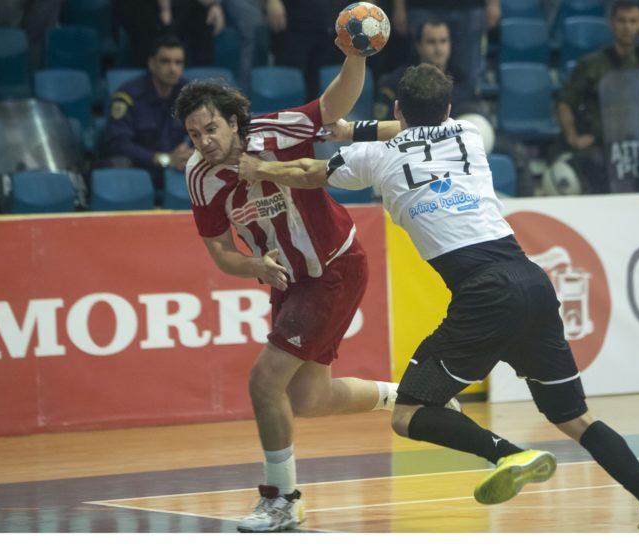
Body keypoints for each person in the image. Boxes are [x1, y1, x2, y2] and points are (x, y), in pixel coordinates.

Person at [238, 63, 639, 534]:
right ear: (448, 109)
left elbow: (309, 171)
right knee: (576, 418)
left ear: (397, 108)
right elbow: (416, 126)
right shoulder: (469, 134)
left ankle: (510, 455)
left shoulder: (375, 159)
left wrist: (261, 167)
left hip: (483, 295)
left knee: (409, 414)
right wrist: (355, 129)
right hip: (532, 281)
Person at [175, 38, 458, 534]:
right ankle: (408, 394)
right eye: (195, 133)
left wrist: (356, 54)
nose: (205, 141)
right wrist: (254, 267)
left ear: (234, 122)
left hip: (333, 267)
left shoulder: (275, 132)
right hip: (288, 280)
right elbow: (220, 252)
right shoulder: (200, 177)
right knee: (307, 399)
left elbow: (333, 107)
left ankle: (282, 500)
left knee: (264, 382)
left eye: (212, 128)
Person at [557, 0, 639, 194]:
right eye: (622, 21)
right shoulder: (592, 64)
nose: (627, 27)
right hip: (604, 144)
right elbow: (565, 102)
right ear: (611, 23)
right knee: (591, 161)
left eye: (633, 21)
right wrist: (573, 136)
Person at [98, 34, 193, 191]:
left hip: (178, 168)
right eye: (165, 61)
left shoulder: (190, 94)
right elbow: (117, 144)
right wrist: (163, 159)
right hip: (140, 170)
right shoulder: (129, 96)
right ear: (151, 64)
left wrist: (190, 153)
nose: (173, 69)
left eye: (178, 63)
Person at [373, 18, 480, 120]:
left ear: (450, 44)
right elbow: (383, 121)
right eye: (431, 42)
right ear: (419, 45)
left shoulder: (462, 81)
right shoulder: (397, 81)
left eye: (443, 41)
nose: (438, 48)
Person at [391, 0, 500, 98]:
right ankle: (419, 114)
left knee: (467, 79)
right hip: (421, 5)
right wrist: (399, 6)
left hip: (468, 7)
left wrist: (493, 3)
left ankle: (465, 111)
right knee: (416, 72)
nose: (438, 48)